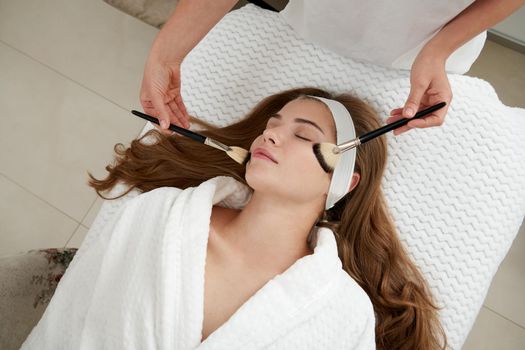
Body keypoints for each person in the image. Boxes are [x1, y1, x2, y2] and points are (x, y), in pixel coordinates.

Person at [60, 87, 443, 348]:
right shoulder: (159, 214)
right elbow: (67, 324)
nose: (270, 137)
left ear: (342, 181)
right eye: (271, 126)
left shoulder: (343, 312)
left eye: (304, 136)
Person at [140, 0, 524, 137]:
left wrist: (439, 49)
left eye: (307, 139)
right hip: (319, 22)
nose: (270, 138)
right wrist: (166, 54)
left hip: (429, 46)